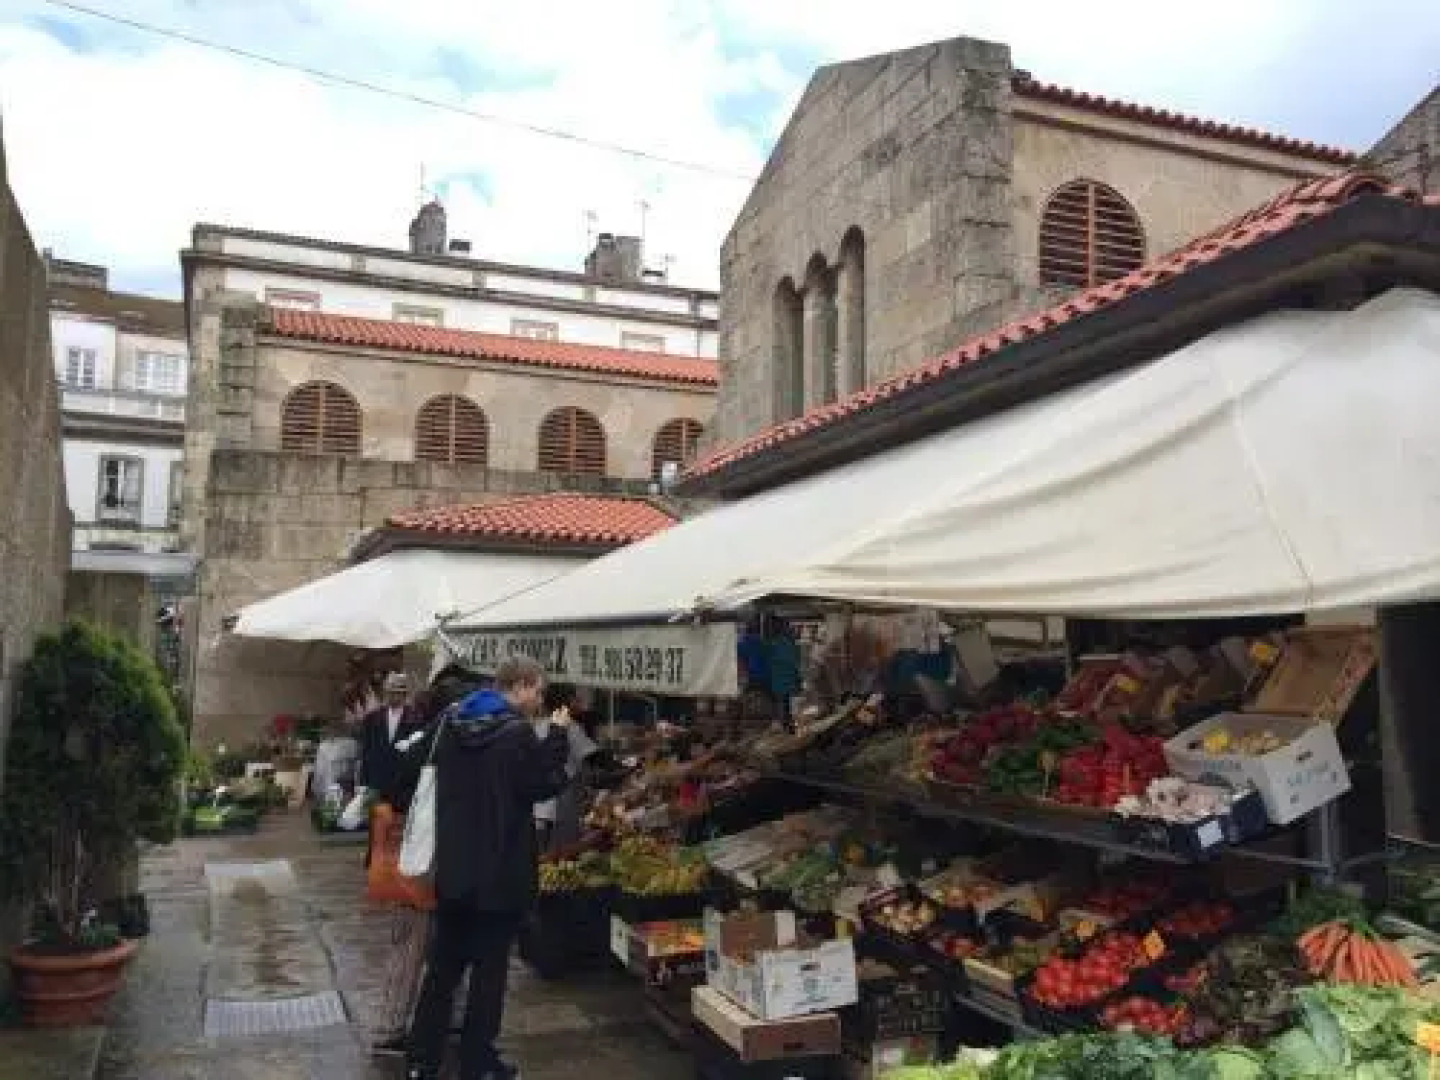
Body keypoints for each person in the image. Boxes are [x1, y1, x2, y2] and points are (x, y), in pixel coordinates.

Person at [406, 656, 570, 1080]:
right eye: (538, 691)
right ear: (522, 686)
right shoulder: (516, 733)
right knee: (488, 974)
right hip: (499, 871)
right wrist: (556, 735)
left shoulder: (452, 722)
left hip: (456, 867)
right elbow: (544, 784)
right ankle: (477, 1062)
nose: (539, 700)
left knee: (443, 969)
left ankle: (422, 1059)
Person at [369, 672, 482, 1057]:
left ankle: (407, 1021)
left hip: (419, 859)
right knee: (424, 942)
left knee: (424, 942)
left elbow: (390, 791)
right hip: (427, 861)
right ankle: (393, 1026)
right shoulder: (447, 746)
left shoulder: (417, 743)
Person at [358, 672, 425, 811]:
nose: (393, 696)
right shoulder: (372, 718)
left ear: (404, 694)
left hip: (401, 784)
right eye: (390, 692)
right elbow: (366, 751)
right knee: (376, 823)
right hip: (376, 782)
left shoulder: (416, 718)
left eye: (397, 693)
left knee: (396, 826)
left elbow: (418, 754)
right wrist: (363, 783)